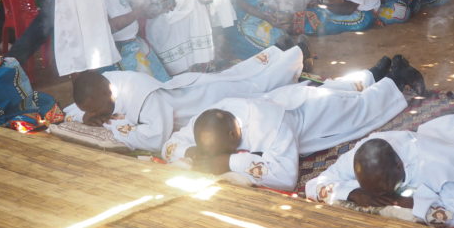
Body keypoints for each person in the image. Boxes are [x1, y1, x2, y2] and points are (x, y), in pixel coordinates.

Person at [163, 66, 409, 191]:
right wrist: (190, 152)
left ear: (232, 134)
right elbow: (170, 145)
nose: (213, 155)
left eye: (220, 150)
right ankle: (373, 72)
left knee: (362, 108)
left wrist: (229, 161)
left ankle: (398, 77)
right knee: (338, 88)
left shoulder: (269, 125)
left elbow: (286, 178)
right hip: (282, 98)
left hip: (312, 115)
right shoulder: (208, 121)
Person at [305, 101, 454, 228]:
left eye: (383, 191)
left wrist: (409, 203)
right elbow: (314, 184)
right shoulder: (362, 154)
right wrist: (354, 193)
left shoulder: (439, 164)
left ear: (399, 166)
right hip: (444, 131)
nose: (378, 199)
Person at [66, 45, 305, 153]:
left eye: (95, 110)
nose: (94, 114)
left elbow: (155, 140)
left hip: (204, 99)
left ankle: (295, 54)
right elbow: (74, 110)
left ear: (107, 94)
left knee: (256, 85)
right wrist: (87, 117)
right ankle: (283, 56)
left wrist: (115, 126)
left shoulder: (145, 97)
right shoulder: (102, 82)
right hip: (185, 89)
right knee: (242, 76)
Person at [102, 0, 171, 82]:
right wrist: (139, 10)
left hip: (136, 44)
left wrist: (161, 7)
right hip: (117, 52)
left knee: (163, 84)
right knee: (139, 88)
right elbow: (110, 26)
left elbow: (145, 10)